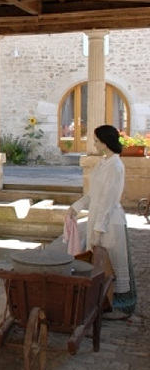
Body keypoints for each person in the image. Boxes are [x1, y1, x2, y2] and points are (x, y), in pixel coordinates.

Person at [67, 124, 136, 317]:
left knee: (112, 261)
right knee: (97, 263)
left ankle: (121, 307)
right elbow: (94, 193)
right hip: (97, 218)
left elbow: (107, 200)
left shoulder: (115, 166)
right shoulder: (103, 162)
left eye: (96, 141)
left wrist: (98, 230)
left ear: (105, 142)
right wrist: (76, 207)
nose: (94, 144)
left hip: (110, 222)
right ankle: (102, 302)